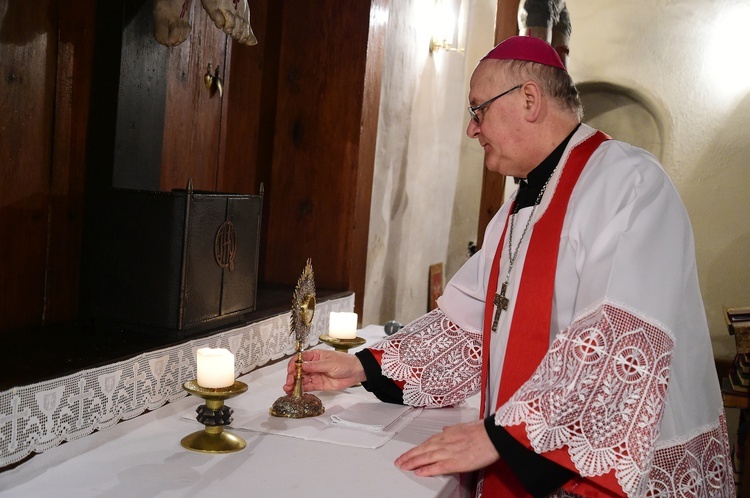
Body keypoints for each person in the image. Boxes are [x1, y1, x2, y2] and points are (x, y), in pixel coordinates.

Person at [283, 36, 734, 497]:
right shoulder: (517, 210)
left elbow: (619, 340)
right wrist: (361, 367)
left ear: (529, 99)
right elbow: (470, 328)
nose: (472, 129)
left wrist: (505, 435)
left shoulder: (629, 183)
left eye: (477, 110)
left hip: (630, 472)